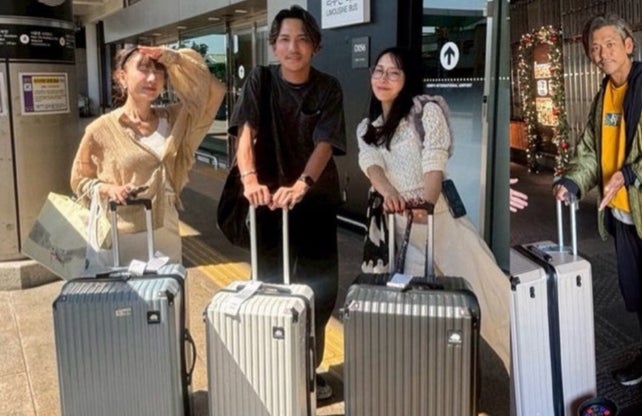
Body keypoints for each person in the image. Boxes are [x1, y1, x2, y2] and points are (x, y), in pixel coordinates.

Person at [552, 14, 642, 402]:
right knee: (636, 290)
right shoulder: (604, 96)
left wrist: (629, 174)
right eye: (594, 48)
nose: (602, 53)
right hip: (621, 214)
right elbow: (590, 151)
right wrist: (573, 180)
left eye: (609, 44)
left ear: (629, 44)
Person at [357, 47, 510, 371]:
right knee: (415, 306)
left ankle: (524, 369)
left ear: (408, 79)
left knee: (488, 296)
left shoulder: (425, 113)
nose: (383, 78)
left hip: (440, 223)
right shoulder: (367, 127)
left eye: (394, 72)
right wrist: (389, 194)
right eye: (379, 70)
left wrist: (425, 203)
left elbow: (434, 164)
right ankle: (428, 376)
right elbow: (372, 165)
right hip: (397, 230)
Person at [229, 5, 345, 401]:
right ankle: (272, 367)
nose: (292, 47)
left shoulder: (328, 87)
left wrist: (302, 184)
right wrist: (249, 178)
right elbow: (245, 133)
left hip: (316, 201)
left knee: (320, 289)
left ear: (316, 46)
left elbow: (325, 143)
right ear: (273, 46)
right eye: (284, 39)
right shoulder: (260, 80)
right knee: (269, 285)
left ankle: (307, 370)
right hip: (267, 201)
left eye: (302, 39)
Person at [71, 45, 225, 265]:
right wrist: (109, 189)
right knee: (121, 288)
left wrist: (173, 58)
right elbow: (79, 181)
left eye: (159, 71)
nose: (153, 78)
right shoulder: (101, 129)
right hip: (119, 233)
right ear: (122, 77)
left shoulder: (176, 118)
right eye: (143, 69)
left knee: (166, 285)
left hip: (165, 230)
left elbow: (214, 90)